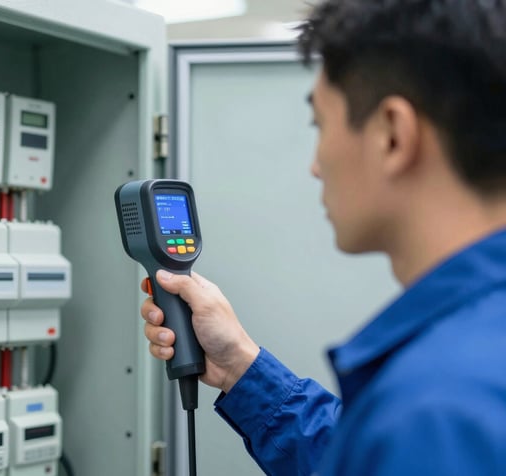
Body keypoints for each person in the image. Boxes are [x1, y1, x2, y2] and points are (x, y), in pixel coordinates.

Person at [140, 1, 506, 474]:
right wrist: (240, 369)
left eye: (321, 125)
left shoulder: (437, 407)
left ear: (392, 135)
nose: (316, 165)